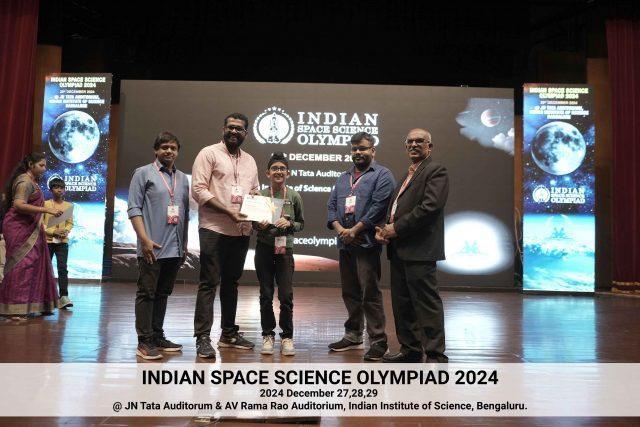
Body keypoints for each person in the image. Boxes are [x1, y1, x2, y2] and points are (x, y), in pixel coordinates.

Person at [376, 128, 449, 363]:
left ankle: (435, 355)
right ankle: (411, 350)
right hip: (399, 249)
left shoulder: (435, 170)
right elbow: (398, 209)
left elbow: (429, 208)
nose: (414, 145)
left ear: (430, 146)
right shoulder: (408, 174)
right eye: (410, 141)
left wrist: (396, 228)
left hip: (420, 250)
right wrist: (385, 229)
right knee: (402, 304)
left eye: (420, 141)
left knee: (426, 304)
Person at [191, 113, 260, 359]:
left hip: (240, 230)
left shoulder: (250, 161)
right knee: (209, 283)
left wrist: (259, 209)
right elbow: (198, 190)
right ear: (223, 129)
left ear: (245, 134)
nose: (234, 131)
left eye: (239, 129)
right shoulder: (208, 153)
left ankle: (228, 333)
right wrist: (228, 211)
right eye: (230, 127)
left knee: (232, 283)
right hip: (214, 228)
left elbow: (254, 190)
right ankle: (202, 337)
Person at [327, 132, 396, 361]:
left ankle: (378, 341)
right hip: (345, 244)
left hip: (366, 244)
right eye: (354, 149)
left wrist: (355, 230)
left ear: (372, 150)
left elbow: (378, 207)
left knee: (370, 293)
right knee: (350, 292)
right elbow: (331, 207)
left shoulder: (383, 175)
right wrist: (342, 231)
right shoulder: (343, 177)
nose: (358, 152)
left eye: (363, 148)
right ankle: (353, 335)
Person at [128, 132, 190, 360]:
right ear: (156, 150)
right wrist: (143, 239)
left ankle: (156, 335)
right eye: (164, 147)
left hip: (175, 247)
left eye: (173, 148)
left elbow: (185, 214)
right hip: (152, 246)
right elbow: (134, 208)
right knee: (147, 293)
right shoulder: (143, 173)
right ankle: (144, 341)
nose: (169, 151)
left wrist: (184, 244)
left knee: (163, 293)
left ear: (178, 151)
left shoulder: (183, 178)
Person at [254, 152, 304, 356]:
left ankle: (287, 337)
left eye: (282, 168)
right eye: (275, 168)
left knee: (285, 296)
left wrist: (290, 223)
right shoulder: (260, 195)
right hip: (264, 249)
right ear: (267, 173)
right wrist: (259, 224)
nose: (279, 171)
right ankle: (267, 335)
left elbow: (301, 224)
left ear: (288, 173)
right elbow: (253, 224)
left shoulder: (294, 196)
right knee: (266, 294)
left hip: (285, 250)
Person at [0, 153, 61, 319]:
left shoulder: (33, 182)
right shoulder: (24, 181)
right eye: (41, 165)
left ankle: (34, 304)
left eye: (45, 165)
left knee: (36, 264)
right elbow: (18, 205)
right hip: (18, 228)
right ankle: (14, 309)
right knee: (22, 265)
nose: (44, 168)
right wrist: (46, 210)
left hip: (31, 227)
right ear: (30, 165)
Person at [43, 177, 74, 309]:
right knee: (45, 269)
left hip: (62, 242)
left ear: (64, 190)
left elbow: (70, 223)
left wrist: (65, 231)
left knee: (62, 269)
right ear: (51, 190)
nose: (59, 190)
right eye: (56, 187)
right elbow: (41, 224)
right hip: (47, 241)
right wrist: (53, 232)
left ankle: (64, 296)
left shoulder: (69, 206)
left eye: (61, 187)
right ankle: (44, 297)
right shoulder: (45, 205)